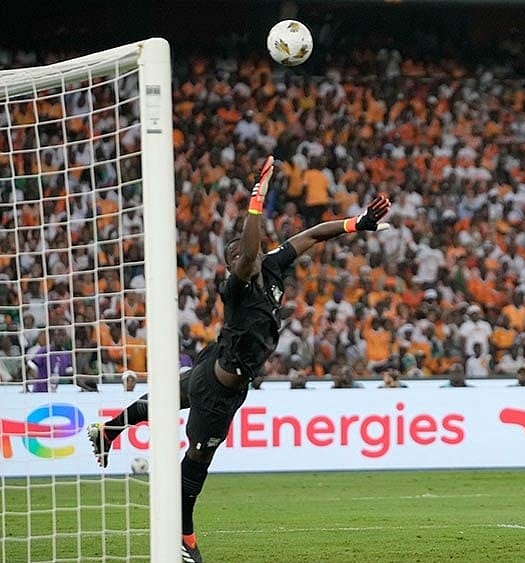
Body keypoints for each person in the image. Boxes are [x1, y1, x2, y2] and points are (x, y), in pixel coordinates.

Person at [86, 156, 391, 563]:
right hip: (220, 386)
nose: (243, 256)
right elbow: (248, 253)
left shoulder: (274, 265)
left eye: (244, 252)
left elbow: (314, 234)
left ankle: (108, 431)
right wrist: (256, 198)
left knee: (161, 403)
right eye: (235, 255)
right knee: (195, 464)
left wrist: (357, 224)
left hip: (218, 368)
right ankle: (184, 540)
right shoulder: (236, 285)